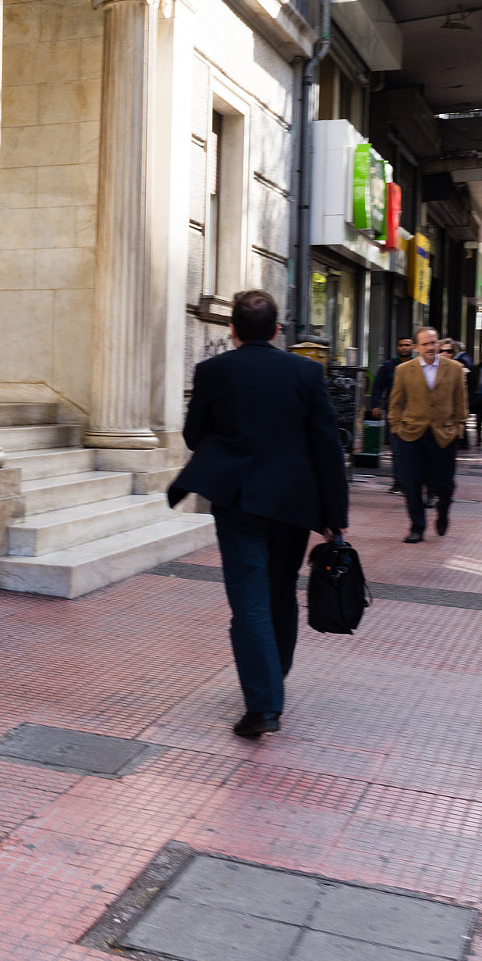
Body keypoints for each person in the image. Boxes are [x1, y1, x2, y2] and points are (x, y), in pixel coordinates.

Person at [168, 290, 348, 739]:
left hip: (239, 500)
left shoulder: (213, 371)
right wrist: (334, 516)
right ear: (276, 330)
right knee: (280, 593)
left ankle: (265, 703)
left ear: (232, 330)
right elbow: (327, 446)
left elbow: (194, 436)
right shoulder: (306, 372)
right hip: (294, 504)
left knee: (249, 600)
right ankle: (271, 681)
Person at [388, 327, 468, 543]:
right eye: (425, 344)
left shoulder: (454, 369)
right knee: (412, 482)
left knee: (445, 484)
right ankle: (417, 526)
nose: (430, 347)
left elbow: (461, 403)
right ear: (416, 347)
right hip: (411, 435)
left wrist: (458, 427)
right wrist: (396, 428)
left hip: (443, 434)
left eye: (433, 343)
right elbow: (396, 403)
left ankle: (443, 512)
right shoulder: (404, 370)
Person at [370, 335, 415, 494]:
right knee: (396, 449)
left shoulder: (419, 365)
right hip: (394, 412)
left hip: (415, 413)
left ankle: (412, 481)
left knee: (413, 449)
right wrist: (375, 405)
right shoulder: (389, 366)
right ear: (397, 347)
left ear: (413, 347)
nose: (404, 348)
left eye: (407, 345)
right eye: (402, 345)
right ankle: (399, 482)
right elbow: (378, 386)